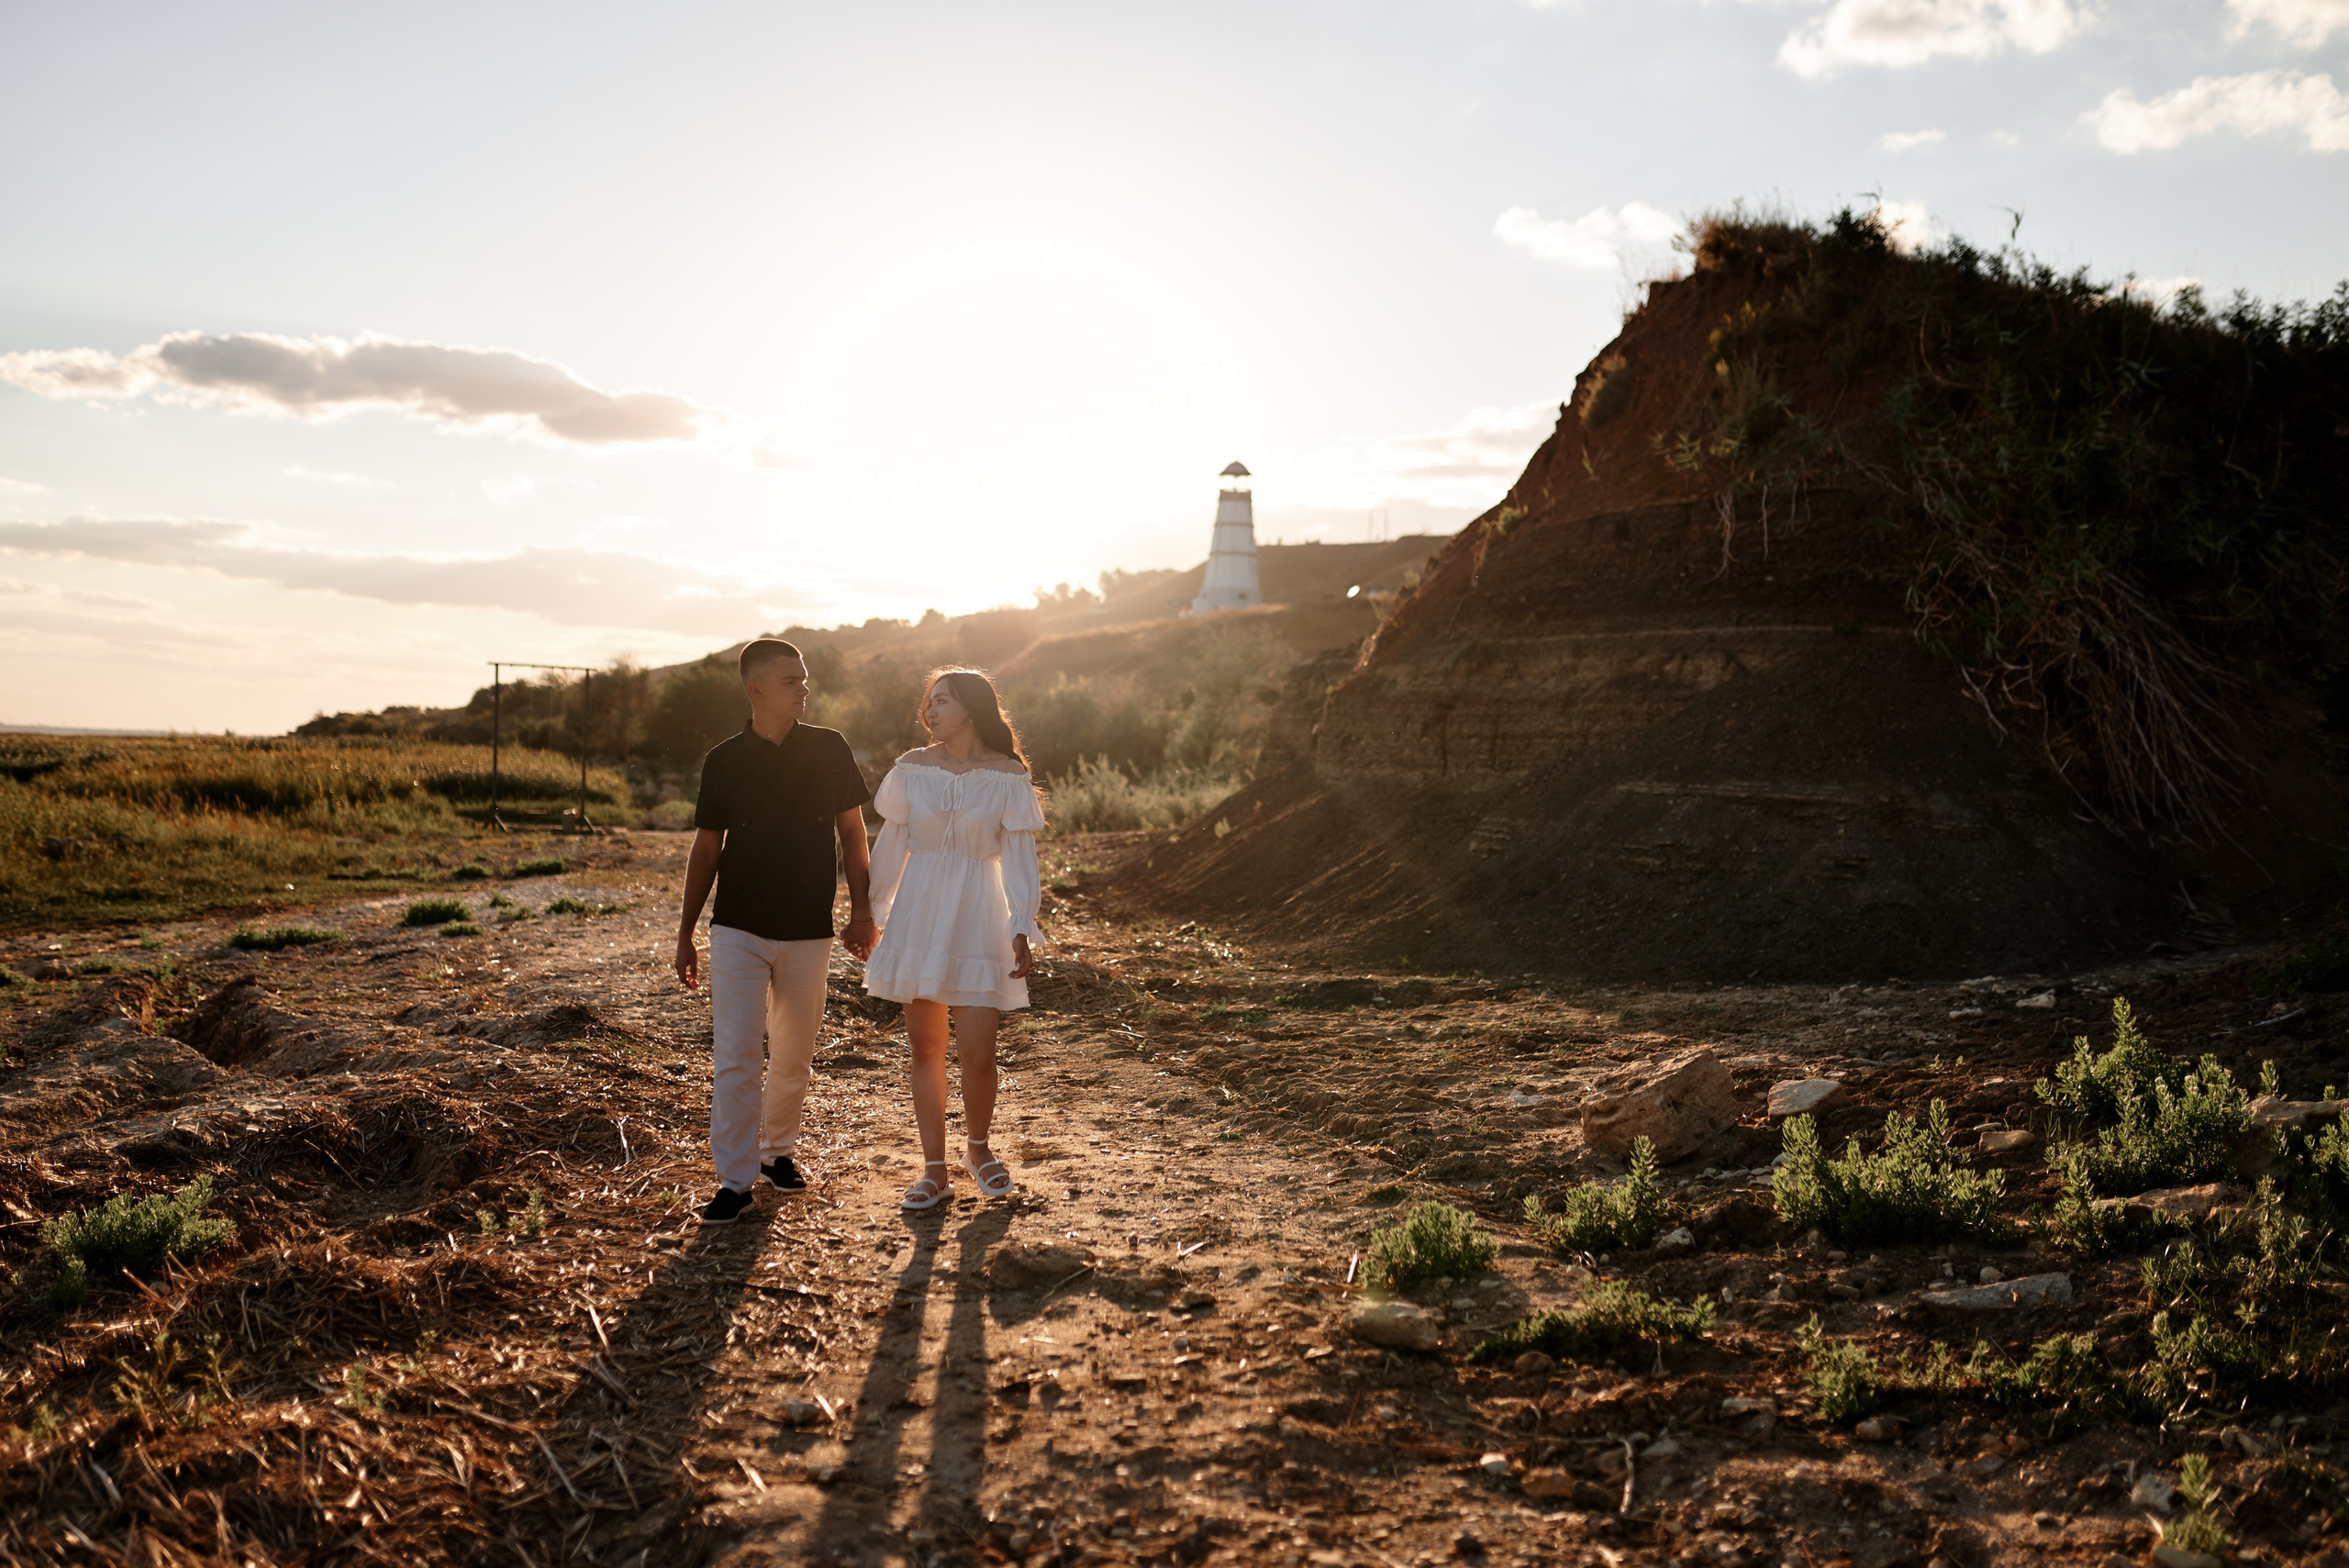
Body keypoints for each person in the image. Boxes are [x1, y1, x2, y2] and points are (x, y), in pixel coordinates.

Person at [674, 639, 876, 1227]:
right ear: (755, 688)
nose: (804, 688)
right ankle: (734, 1183)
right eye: (791, 680)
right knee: (736, 1056)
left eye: (805, 678)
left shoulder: (829, 748)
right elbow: (706, 847)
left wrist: (860, 911)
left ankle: (776, 1153)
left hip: (808, 929)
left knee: (793, 1054)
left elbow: (854, 836)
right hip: (737, 927)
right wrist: (686, 932)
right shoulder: (724, 761)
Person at [863, 668, 1045, 1209]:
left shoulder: (1007, 775)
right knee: (926, 1046)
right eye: (929, 702)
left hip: (977, 916)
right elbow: (891, 847)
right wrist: (874, 913)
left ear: (971, 707)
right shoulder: (911, 769)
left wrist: (1021, 925)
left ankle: (979, 1150)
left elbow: (1019, 861)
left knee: (978, 1051)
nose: (931, 712)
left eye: (942, 701)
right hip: (919, 915)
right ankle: (934, 1170)